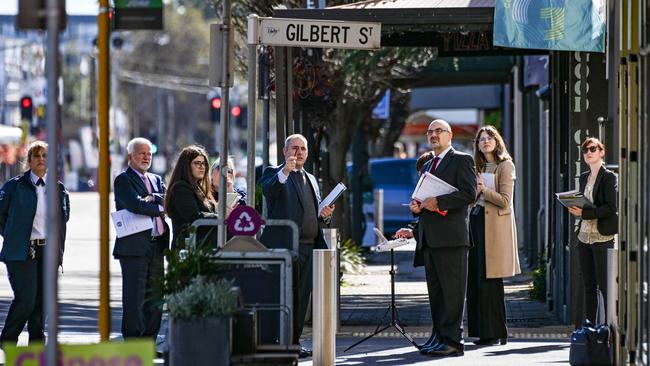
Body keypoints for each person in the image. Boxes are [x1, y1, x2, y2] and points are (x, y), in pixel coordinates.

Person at [259, 134, 335, 358]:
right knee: (284, 297)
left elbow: (314, 212)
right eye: (294, 148)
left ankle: (294, 342)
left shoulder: (310, 178)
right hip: (284, 247)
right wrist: (285, 171)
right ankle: (278, 341)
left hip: (309, 247)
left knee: (302, 298)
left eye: (303, 149)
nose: (299, 152)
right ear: (284, 151)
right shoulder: (273, 173)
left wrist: (325, 216)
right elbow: (269, 191)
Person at [408, 119, 476, 357]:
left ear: (450, 134)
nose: (433, 135)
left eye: (438, 131)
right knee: (436, 294)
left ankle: (453, 342)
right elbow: (426, 196)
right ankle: (438, 337)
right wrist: (417, 206)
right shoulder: (428, 165)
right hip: (431, 238)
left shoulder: (462, 160)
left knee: (452, 293)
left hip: (452, 238)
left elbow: (469, 194)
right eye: (430, 132)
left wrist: (438, 201)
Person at [0, 141, 70, 346]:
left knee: (42, 301)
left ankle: (37, 344)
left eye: (45, 155)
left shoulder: (58, 188)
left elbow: (63, 218)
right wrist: (12, 236)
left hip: (48, 250)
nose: (41, 159)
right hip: (21, 251)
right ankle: (8, 339)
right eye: (36, 156)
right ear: (28, 160)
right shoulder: (14, 186)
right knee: (26, 298)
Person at [467, 126, 521, 346]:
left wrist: (482, 190)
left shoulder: (505, 165)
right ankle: (482, 331)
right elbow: (473, 199)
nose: (486, 141)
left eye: (489, 138)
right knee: (476, 278)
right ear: (477, 145)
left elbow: (506, 200)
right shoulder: (477, 167)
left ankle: (496, 333)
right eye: (481, 139)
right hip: (477, 222)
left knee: (491, 281)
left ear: (497, 141)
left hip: (495, 228)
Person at [113, 137, 169, 339]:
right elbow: (136, 205)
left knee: (155, 297)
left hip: (156, 246)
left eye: (149, 153)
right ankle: (132, 341)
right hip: (134, 248)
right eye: (141, 153)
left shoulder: (156, 179)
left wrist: (154, 199)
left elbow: (167, 200)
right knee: (134, 298)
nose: (146, 157)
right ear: (130, 157)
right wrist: (159, 206)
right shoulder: (123, 180)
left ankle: (149, 340)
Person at [567, 137, 617, 323]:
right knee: (589, 287)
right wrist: (575, 208)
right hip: (584, 237)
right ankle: (590, 328)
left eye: (593, 149)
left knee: (605, 287)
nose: (588, 152)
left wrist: (585, 213)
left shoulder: (609, 177)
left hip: (602, 237)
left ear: (601, 152)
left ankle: (609, 329)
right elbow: (585, 205)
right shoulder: (583, 177)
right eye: (585, 150)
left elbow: (611, 208)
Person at [166, 145, 218, 248]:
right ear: (186, 166)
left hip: (201, 248)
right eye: (197, 163)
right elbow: (195, 216)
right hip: (187, 251)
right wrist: (222, 217)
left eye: (204, 164)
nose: (202, 167)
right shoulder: (181, 188)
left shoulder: (198, 188)